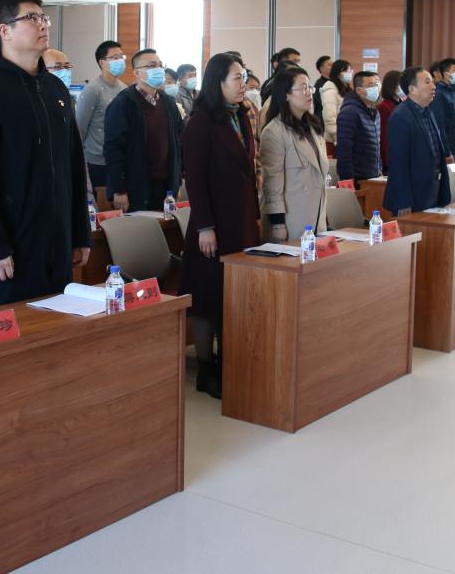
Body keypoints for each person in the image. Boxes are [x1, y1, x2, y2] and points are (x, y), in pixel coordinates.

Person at [0, 0, 90, 308]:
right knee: (13, 333)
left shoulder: (54, 89)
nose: (42, 24)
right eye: (31, 18)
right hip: (7, 250)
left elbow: (73, 164)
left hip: (55, 242)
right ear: (5, 30)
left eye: (43, 17)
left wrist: (79, 233)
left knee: (57, 327)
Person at [181, 53, 260, 399]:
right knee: (207, 300)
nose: (243, 84)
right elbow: (195, 180)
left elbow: (249, 171)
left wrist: (255, 215)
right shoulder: (200, 123)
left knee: (233, 296)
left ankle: (230, 361)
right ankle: (206, 368)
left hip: (240, 220)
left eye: (244, 77)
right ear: (218, 82)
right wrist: (204, 227)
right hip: (212, 225)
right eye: (237, 78)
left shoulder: (240, 116)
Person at [103, 48, 184, 213]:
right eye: (152, 66)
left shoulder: (169, 103)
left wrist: (177, 182)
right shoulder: (124, 103)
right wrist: (119, 189)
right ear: (137, 73)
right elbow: (113, 149)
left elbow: (179, 142)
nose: (159, 70)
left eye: (160, 65)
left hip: (166, 188)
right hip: (135, 188)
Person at [259, 66, 328, 245]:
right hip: (291, 217)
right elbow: (272, 183)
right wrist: (278, 223)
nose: (309, 92)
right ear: (286, 95)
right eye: (302, 88)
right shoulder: (274, 131)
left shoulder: (313, 126)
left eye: (310, 87)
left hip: (316, 213)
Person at [384, 67, 450, 214]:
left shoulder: (428, 112)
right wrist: (403, 201)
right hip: (412, 197)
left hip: (433, 189)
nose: (433, 86)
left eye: (432, 81)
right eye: (427, 82)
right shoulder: (400, 116)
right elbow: (398, 163)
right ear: (412, 89)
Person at [75, 40, 128, 191]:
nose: (120, 61)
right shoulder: (92, 90)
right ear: (102, 63)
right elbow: (80, 128)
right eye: (115, 57)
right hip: (97, 161)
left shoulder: (124, 89)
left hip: (119, 159)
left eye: (121, 57)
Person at [335, 70, 383, 185]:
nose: (376, 88)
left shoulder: (374, 111)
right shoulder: (350, 112)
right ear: (359, 90)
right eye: (371, 85)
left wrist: (379, 169)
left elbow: (376, 145)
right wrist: (348, 180)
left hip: (373, 176)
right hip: (358, 178)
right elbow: (344, 150)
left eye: (376, 84)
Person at [430, 57, 455, 164]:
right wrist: (446, 152)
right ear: (445, 74)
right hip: (449, 152)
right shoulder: (439, 94)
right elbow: (439, 126)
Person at [320, 59, 353, 148]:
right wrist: (338, 139)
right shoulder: (330, 91)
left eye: (350, 70)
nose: (350, 73)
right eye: (346, 71)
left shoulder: (346, 89)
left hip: (347, 136)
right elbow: (329, 118)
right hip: (335, 141)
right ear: (338, 73)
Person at [377, 69, 403, 175]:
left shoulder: (402, 104)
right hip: (391, 158)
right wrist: (387, 162)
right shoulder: (384, 106)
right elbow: (384, 137)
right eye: (400, 84)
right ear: (392, 85)